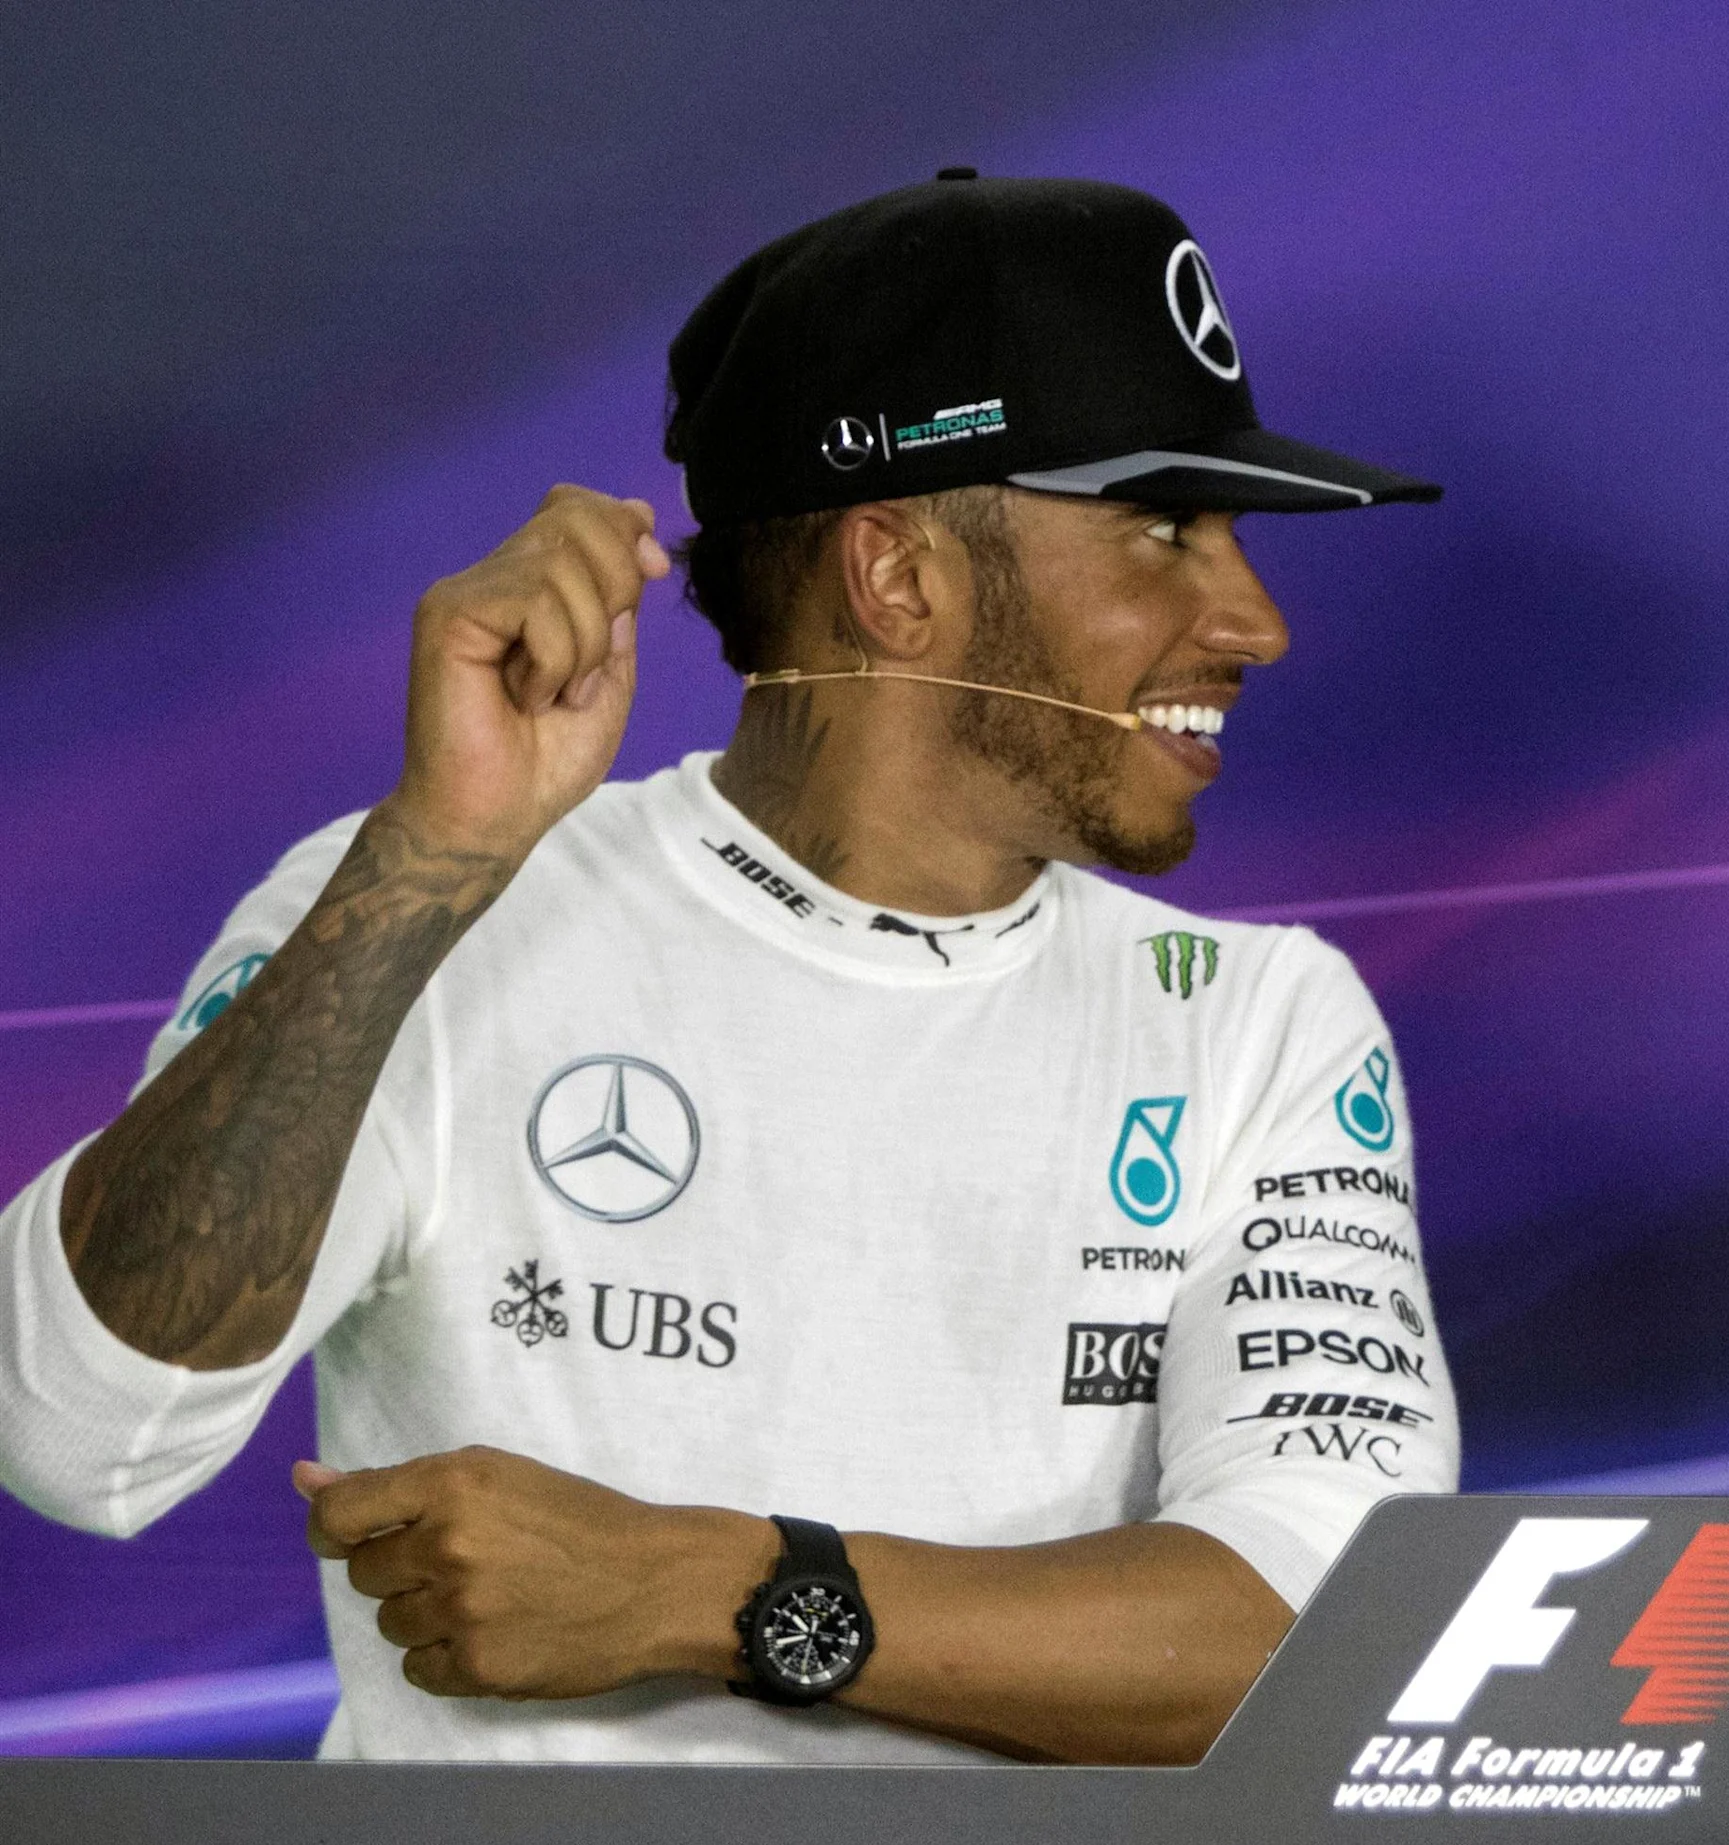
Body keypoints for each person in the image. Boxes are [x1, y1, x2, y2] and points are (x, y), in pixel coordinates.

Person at [0, 172, 1458, 1764]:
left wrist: (713, 1588)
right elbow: (76, 1432)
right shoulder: (423, 907)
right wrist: (435, 858)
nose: (1254, 619)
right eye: (1165, 528)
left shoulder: (1261, 1025)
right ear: (899, 577)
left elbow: (1339, 1631)